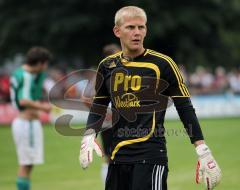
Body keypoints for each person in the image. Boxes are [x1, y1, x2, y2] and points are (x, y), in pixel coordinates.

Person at [79, 6, 221, 190]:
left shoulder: (163, 64)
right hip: (117, 156)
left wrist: (202, 150)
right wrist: (88, 136)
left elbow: (185, 107)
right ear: (117, 31)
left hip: (151, 157)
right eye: (130, 27)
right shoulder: (107, 65)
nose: (137, 33)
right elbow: (98, 105)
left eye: (141, 27)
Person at [10, 47, 52, 190]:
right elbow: (23, 101)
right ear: (40, 63)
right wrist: (43, 108)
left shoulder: (21, 73)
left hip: (25, 123)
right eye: (45, 63)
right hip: (25, 123)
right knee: (25, 164)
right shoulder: (26, 76)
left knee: (28, 164)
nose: (46, 67)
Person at [100, 43, 121, 183]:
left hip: (122, 123)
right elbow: (87, 98)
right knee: (111, 158)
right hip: (109, 125)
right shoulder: (103, 74)